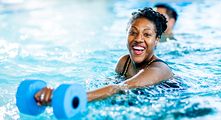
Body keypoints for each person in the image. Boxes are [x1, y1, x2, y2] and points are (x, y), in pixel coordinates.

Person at [34, 7, 173, 105]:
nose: (138, 39)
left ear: (156, 40)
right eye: (133, 32)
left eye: (147, 34)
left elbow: (120, 87)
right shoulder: (124, 63)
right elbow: (106, 89)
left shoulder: (159, 69)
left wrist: (70, 97)